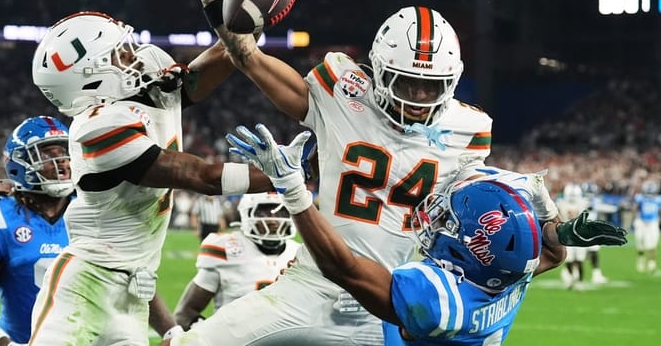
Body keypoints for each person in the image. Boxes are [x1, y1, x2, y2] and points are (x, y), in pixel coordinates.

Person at [145, 0, 563, 344]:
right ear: (379, 71)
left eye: (431, 87)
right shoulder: (341, 92)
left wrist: (552, 226)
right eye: (407, 83)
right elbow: (244, 54)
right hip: (309, 286)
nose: (418, 97)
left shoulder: (466, 131)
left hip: (387, 299)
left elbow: (493, 225)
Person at [226, 123, 628, 345]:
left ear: (470, 246)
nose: (438, 221)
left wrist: (293, 191)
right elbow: (551, 254)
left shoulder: (437, 299)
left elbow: (342, 267)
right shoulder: (510, 273)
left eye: (449, 221)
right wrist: (561, 229)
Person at [27, 9, 280, 345]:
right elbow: (201, 177)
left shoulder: (149, 92)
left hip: (135, 291)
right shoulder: (97, 127)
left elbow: (227, 53)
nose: (132, 55)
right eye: (118, 54)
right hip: (84, 288)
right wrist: (290, 171)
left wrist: (252, 15)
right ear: (90, 78)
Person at [0, 116, 74, 346]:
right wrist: (3, 344)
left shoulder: (92, 211)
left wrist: (168, 332)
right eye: (48, 154)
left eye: (64, 152)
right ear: (20, 164)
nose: (62, 162)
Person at [174, 192, 300, 330]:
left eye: (280, 212)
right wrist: (213, 338)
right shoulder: (227, 249)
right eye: (264, 212)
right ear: (247, 214)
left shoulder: (300, 254)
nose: (273, 220)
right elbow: (185, 314)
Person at [556, 183, 590, 290]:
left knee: (579, 259)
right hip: (568, 235)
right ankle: (571, 277)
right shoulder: (561, 203)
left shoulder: (583, 202)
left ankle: (579, 281)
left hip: (579, 235)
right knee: (569, 259)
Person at [632, 179, 661, 274]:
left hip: (653, 222)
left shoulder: (658, 199)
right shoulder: (640, 197)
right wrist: (635, 218)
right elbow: (635, 208)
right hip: (641, 221)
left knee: (652, 243)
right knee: (640, 241)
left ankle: (651, 263)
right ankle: (641, 257)